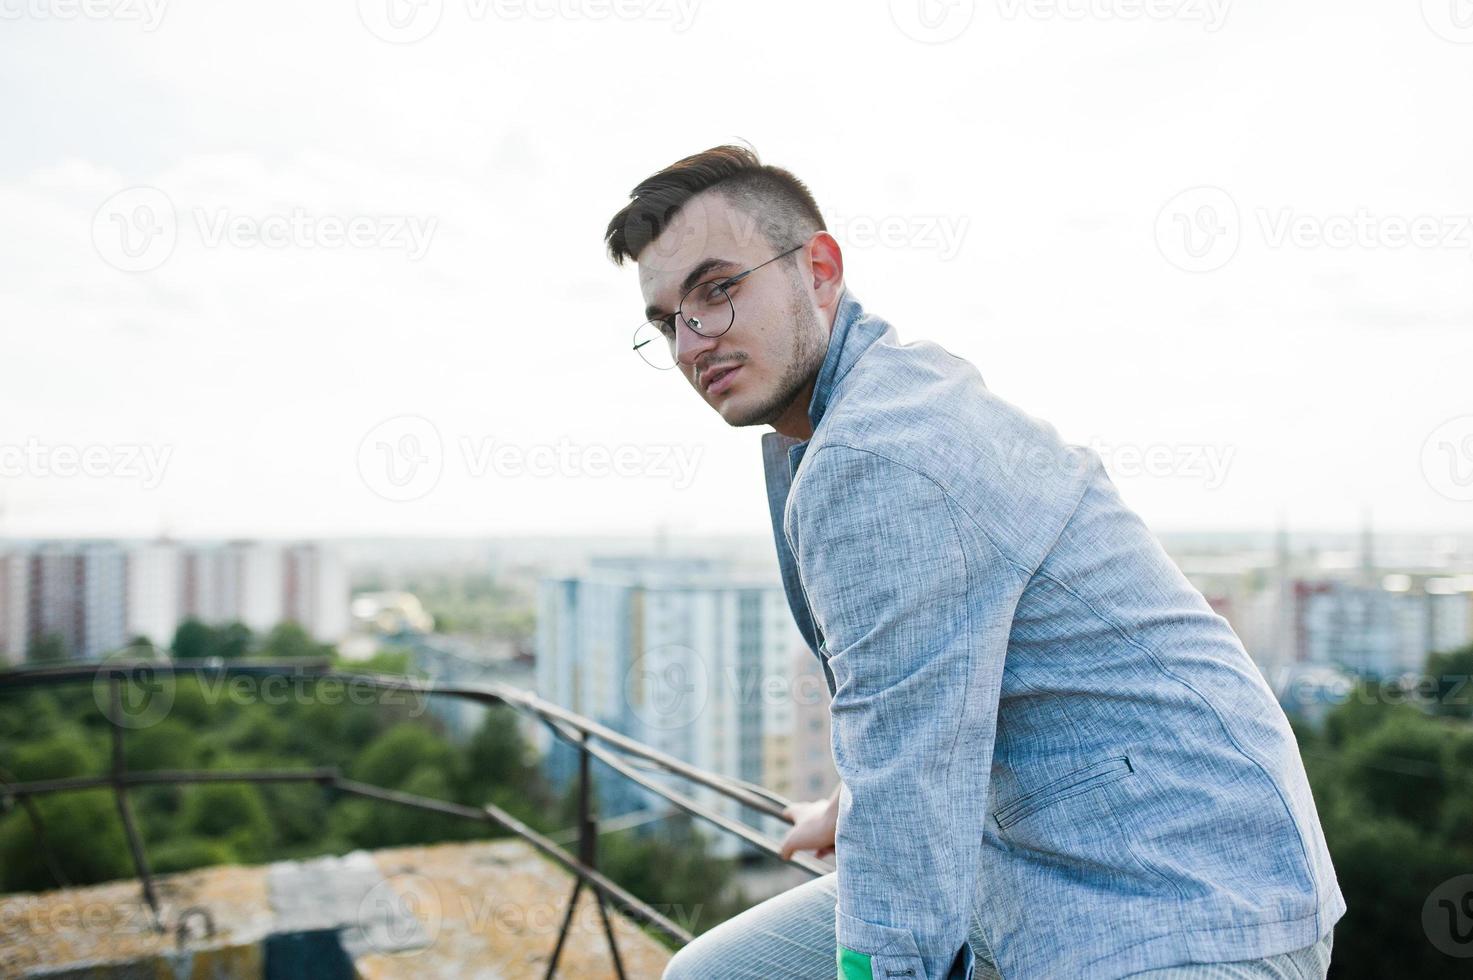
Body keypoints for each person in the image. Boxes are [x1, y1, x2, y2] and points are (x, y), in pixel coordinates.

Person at [604, 144, 1345, 980]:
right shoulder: (864, 409)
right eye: (667, 320)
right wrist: (851, 802)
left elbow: (909, 824)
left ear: (818, 269)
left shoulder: (879, 450)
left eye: (717, 290)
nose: (692, 341)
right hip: (1022, 865)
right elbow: (930, 688)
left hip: (1178, 897)